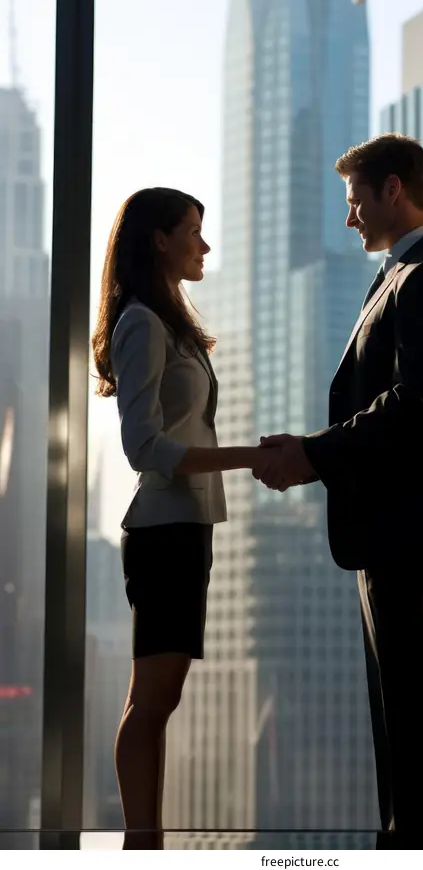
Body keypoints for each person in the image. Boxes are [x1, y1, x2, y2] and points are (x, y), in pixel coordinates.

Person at [255, 135, 423, 848]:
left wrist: (314, 456)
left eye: (355, 200)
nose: (349, 217)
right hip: (392, 527)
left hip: (410, 529)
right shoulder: (403, 273)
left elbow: (415, 405)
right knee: (403, 712)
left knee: (420, 713)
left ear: (393, 189)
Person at [91, 187, 274, 849]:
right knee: (151, 701)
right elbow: (143, 446)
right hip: (164, 529)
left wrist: (246, 457)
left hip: (187, 529)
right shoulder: (141, 321)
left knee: (159, 701)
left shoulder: (170, 322)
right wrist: (246, 457)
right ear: (158, 240)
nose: (205, 244)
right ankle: (142, 845)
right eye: (193, 231)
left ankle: (149, 841)